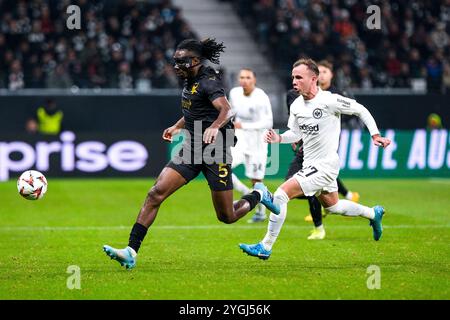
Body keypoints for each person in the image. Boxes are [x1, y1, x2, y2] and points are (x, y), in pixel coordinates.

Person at [102, 38, 277, 269]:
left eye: (180, 61)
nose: (176, 66)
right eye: (174, 61)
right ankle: (131, 250)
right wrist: (177, 126)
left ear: (194, 61)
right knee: (155, 193)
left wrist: (214, 128)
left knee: (226, 216)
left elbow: (226, 109)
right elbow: (196, 110)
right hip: (193, 146)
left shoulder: (209, 80)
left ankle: (259, 195)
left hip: (217, 149)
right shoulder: (189, 80)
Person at [239, 58, 391, 260]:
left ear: (314, 79)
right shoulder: (296, 106)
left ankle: (265, 246)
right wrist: (279, 138)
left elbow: (360, 109)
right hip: (310, 163)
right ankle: (373, 213)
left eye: (299, 77)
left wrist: (375, 135)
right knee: (333, 206)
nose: (294, 81)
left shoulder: (330, 100)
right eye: (293, 77)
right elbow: (295, 134)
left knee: (281, 194)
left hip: (326, 165)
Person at [229, 68, 273, 223]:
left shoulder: (261, 97)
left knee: (256, 180)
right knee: (222, 167)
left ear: (254, 80)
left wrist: (243, 125)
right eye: (241, 77)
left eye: (248, 77)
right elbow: (232, 112)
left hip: (258, 142)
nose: (244, 80)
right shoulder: (234, 93)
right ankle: (246, 192)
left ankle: (261, 212)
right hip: (240, 140)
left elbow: (268, 122)